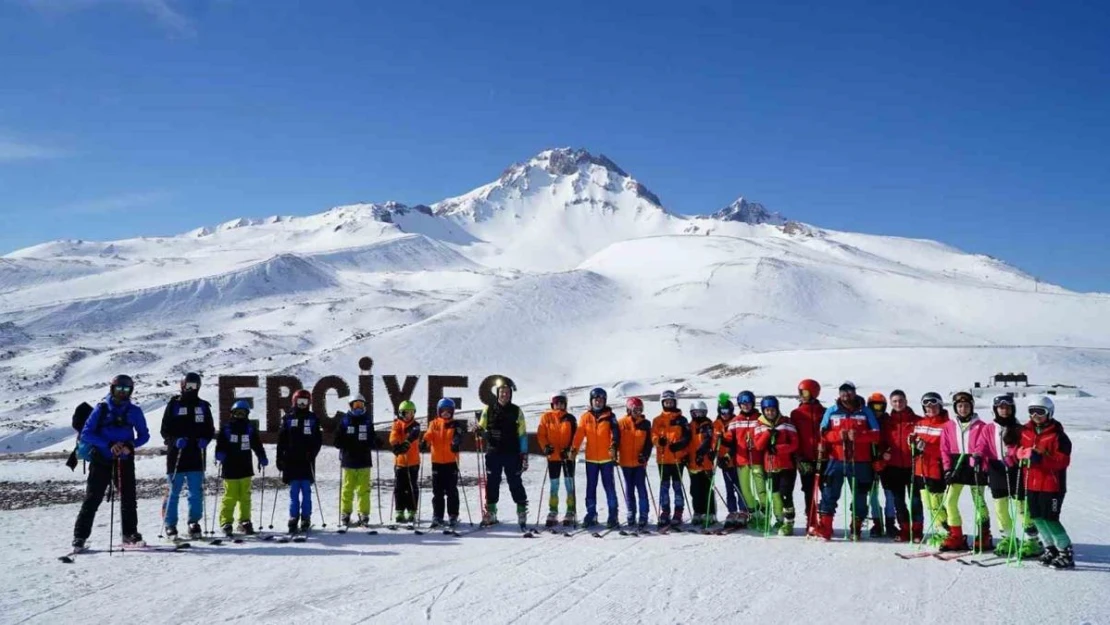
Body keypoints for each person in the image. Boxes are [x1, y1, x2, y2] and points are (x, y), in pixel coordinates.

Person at [72, 374, 150, 550]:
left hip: (124, 460)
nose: (122, 392)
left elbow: (144, 435)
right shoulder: (101, 409)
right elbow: (86, 433)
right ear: (112, 389)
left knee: (129, 498)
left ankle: (130, 534)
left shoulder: (135, 411)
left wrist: (131, 445)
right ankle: (80, 536)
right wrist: (109, 445)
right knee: (92, 498)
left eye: (126, 389)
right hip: (101, 460)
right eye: (119, 389)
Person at [809, 381, 880, 541]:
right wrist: (837, 436)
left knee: (860, 495)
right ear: (839, 394)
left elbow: (876, 434)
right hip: (837, 460)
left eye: (849, 392)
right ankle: (825, 528)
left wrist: (860, 436)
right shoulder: (831, 411)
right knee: (829, 493)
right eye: (843, 392)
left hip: (860, 461)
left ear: (854, 393)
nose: (846, 395)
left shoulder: (865, 411)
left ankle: (856, 526)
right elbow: (823, 434)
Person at [1017, 395, 1074, 569]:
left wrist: (1040, 458)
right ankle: (1051, 548)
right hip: (1032, 483)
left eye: (1040, 412)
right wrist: (1021, 455)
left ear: (1049, 413)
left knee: (1050, 518)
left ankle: (1066, 552)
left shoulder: (1058, 436)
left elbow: (1062, 461)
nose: (1035, 415)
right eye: (1032, 412)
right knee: (1037, 517)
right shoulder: (1026, 431)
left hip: (1051, 484)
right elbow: (1020, 450)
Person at [938, 391, 997, 551]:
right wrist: (947, 469)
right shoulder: (948, 426)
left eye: (966, 406)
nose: (963, 409)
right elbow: (944, 449)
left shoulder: (982, 426)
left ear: (971, 406)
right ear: (955, 408)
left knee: (978, 501)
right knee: (950, 501)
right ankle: (956, 536)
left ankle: (984, 535)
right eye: (960, 406)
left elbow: (984, 446)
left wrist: (979, 461)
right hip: (957, 466)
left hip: (974, 466)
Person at [160, 372, 215, 540]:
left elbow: (209, 429)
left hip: (196, 455)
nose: (191, 389)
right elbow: (165, 431)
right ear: (182, 386)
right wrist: (175, 441)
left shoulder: (203, 406)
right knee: (173, 492)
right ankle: (170, 524)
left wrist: (206, 439)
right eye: (188, 386)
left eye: (195, 386)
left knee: (196, 492)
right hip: (176, 455)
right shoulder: (174, 405)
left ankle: (193, 522)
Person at [986, 393, 1042, 559]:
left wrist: (1015, 454)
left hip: (1015, 470)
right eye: (1001, 407)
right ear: (995, 409)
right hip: (996, 469)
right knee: (1000, 506)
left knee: (1021, 506)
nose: (1004, 410)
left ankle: (1032, 540)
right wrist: (977, 456)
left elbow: (1026, 446)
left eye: (1008, 407)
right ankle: (1008, 538)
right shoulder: (989, 428)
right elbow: (982, 445)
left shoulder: (1021, 428)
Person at [476, 381, 529, 528]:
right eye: (502, 392)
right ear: (497, 393)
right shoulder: (489, 409)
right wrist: (480, 430)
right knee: (492, 482)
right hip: (493, 452)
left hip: (512, 453)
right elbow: (482, 425)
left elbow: (523, 434)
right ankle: (491, 512)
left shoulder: (516, 411)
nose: (504, 395)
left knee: (515, 481)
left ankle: (521, 510)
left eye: (507, 392)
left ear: (510, 394)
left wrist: (524, 454)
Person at [214, 399, 268, 537]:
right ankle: (226, 522)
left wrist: (261, 456)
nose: (240, 416)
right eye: (237, 413)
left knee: (245, 496)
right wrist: (219, 454)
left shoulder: (249, 429)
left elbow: (257, 444)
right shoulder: (226, 428)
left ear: (247, 415)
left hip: (245, 468)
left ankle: (244, 520)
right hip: (230, 468)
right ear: (232, 413)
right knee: (230, 497)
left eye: (242, 413)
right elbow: (220, 445)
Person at [571, 387, 621, 528]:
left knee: (609, 488)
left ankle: (613, 515)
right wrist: (574, 448)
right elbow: (579, 434)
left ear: (604, 401)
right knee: (590, 488)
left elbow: (615, 433)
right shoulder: (585, 417)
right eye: (596, 399)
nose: (598, 402)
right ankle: (591, 514)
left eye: (601, 400)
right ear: (591, 401)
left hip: (606, 459)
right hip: (591, 459)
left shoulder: (610, 416)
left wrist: (614, 446)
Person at [879, 389, 922, 542]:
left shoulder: (917, 420)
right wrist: (883, 452)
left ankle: (917, 530)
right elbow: (881, 442)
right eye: (895, 401)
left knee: (915, 499)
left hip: (913, 466)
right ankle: (904, 528)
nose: (898, 404)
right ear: (891, 403)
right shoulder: (887, 422)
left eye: (901, 400)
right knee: (898, 500)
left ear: (906, 401)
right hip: (893, 467)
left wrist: (918, 446)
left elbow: (924, 440)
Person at [277, 389, 322, 534]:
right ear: (294, 402)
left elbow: (318, 440)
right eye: (300, 402)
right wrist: (280, 458)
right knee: (294, 492)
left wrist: (313, 453)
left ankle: (306, 517)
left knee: (307, 491)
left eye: (305, 402)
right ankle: (293, 516)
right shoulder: (288, 418)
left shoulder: (313, 418)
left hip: (307, 461)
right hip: (291, 461)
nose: (302, 405)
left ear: (309, 403)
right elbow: (281, 440)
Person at [753, 396, 799, 536]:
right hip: (770, 466)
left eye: (772, 410)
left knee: (786, 494)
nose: (770, 413)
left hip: (786, 465)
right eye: (767, 410)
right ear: (763, 411)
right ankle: (779, 519)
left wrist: (779, 448)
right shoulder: (759, 425)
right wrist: (767, 434)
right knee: (775, 495)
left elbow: (795, 444)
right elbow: (759, 446)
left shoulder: (786, 423)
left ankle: (789, 522)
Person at [911, 391, 950, 547]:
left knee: (937, 502)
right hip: (921, 469)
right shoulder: (920, 423)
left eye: (934, 405)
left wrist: (926, 447)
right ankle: (939, 531)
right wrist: (912, 443)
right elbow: (915, 446)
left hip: (936, 468)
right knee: (927, 503)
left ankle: (947, 532)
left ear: (940, 405)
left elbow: (947, 449)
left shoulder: (947, 425)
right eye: (927, 406)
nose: (930, 408)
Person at [333, 394, 375, 529]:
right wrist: (343, 440)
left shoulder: (367, 421)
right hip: (349, 461)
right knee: (347, 489)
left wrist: (375, 442)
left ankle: (364, 514)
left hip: (364, 461)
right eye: (356, 405)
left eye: (361, 405)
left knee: (364, 490)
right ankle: (345, 513)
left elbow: (371, 438)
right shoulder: (345, 421)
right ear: (351, 406)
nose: (358, 408)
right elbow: (337, 441)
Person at [423, 398, 466, 529]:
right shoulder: (434, 423)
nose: (446, 413)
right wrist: (424, 442)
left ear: (452, 412)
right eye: (443, 411)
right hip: (437, 462)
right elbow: (429, 435)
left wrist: (456, 442)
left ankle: (453, 515)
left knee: (451, 490)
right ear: (439, 411)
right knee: (437, 491)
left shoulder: (455, 424)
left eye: (449, 411)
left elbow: (459, 435)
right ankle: (438, 516)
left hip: (451, 462)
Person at [536, 392, 578, 527]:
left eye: (562, 403)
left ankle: (570, 511)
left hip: (567, 457)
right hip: (553, 456)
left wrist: (571, 449)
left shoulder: (570, 418)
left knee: (569, 484)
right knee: (554, 485)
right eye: (556, 403)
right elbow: (541, 434)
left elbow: (575, 437)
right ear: (552, 404)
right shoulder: (546, 417)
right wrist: (546, 447)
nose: (559, 405)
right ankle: (553, 511)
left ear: (565, 404)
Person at [724, 390, 765, 526]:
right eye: (743, 403)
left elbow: (765, 435)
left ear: (753, 403)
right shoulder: (735, 421)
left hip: (757, 460)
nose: (746, 406)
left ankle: (765, 515)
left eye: (748, 403)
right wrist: (721, 439)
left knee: (761, 490)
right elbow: (729, 439)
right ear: (739, 405)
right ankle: (753, 513)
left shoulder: (760, 418)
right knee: (745, 491)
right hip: (742, 461)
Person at [652, 389, 690, 528]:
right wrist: (658, 441)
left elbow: (687, 437)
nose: (668, 403)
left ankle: (678, 512)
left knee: (677, 486)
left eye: (671, 401)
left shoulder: (681, 419)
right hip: (662, 459)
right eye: (666, 401)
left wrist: (679, 445)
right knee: (664, 487)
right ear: (662, 402)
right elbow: (653, 436)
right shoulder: (657, 420)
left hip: (677, 458)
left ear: (675, 402)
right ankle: (665, 512)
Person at [790, 379, 824, 533]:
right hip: (805, 458)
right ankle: (811, 521)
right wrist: (798, 456)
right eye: (800, 392)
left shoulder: (823, 411)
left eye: (804, 392)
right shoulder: (796, 413)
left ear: (813, 393)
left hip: (823, 457)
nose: (801, 396)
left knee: (827, 490)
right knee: (809, 490)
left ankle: (825, 520)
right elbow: (793, 435)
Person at [617, 397, 653, 531]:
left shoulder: (646, 424)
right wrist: (614, 453)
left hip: (639, 463)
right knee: (629, 489)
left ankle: (644, 514)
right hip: (625, 462)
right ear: (629, 410)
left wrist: (645, 455)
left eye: (640, 410)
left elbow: (649, 443)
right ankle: (631, 512)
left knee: (641, 488)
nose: (637, 412)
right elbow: (615, 440)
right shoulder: (621, 423)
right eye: (635, 410)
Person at [714, 396, 748, 528]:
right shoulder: (716, 424)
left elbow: (736, 443)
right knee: (729, 488)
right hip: (724, 462)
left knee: (739, 487)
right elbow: (713, 442)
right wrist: (715, 456)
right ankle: (732, 512)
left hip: (736, 460)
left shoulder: (735, 422)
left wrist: (728, 455)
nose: (725, 414)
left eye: (727, 411)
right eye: (722, 411)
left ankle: (743, 511)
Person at [866, 392, 896, 537]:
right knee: (872, 494)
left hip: (887, 463)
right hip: (870, 462)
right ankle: (877, 522)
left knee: (889, 493)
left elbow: (893, 440)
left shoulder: (888, 422)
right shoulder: (866, 420)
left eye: (880, 407)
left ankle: (890, 522)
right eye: (874, 407)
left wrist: (885, 456)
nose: (877, 410)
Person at [389, 400, 422, 526]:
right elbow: (394, 435)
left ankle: (412, 510)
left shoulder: (416, 425)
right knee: (399, 487)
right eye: (406, 413)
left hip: (413, 461)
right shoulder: (397, 424)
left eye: (411, 413)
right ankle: (399, 510)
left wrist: (406, 443)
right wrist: (396, 445)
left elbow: (414, 434)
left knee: (412, 487)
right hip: (400, 462)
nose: (408, 415)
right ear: (401, 413)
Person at [686, 400, 718, 528]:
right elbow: (687, 442)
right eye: (696, 413)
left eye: (701, 413)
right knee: (695, 490)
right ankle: (698, 512)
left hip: (705, 463)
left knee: (707, 490)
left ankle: (710, 513)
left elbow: (708, 440)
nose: (698, 415)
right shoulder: (689, 426)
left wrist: (701, 453)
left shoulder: (708, 425)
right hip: (693, 464)